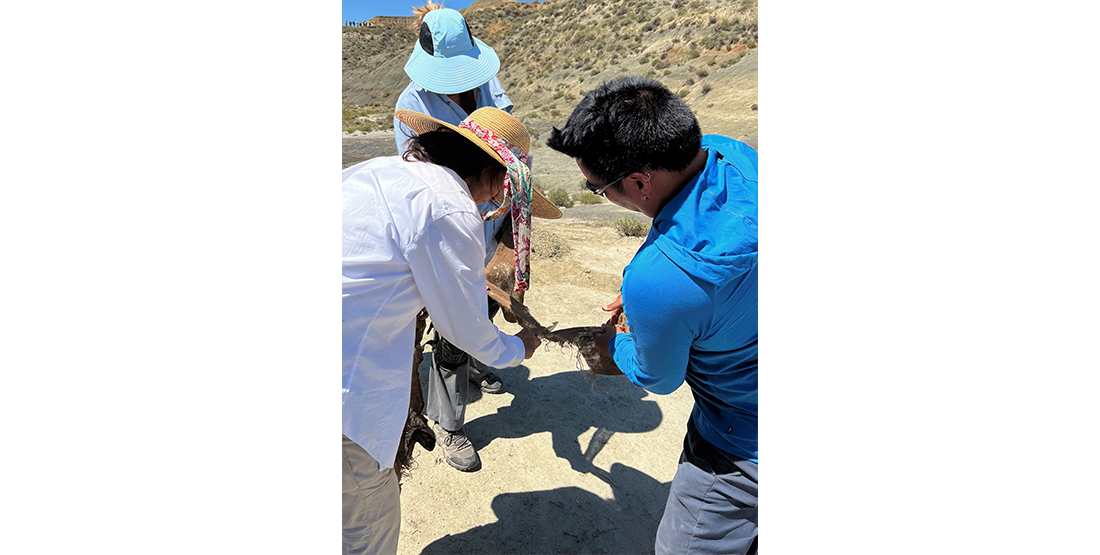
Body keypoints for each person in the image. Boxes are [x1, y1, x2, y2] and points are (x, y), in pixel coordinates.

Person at [545, 76, 759, 555]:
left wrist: (614, 342)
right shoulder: (732, 154)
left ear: (639, 182)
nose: (599, 194)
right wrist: (644, 279)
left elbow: (658, 379)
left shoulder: (661, 282)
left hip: (742, 441)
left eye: (597, 190)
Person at [342, 106, 546, 555]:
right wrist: (518, 349)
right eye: (503, 186)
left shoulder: (379, 172)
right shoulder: (450, 206)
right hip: (344, 392)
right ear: (492, 175)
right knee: (365, 532)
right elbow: (467, 329)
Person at [393, 3, 562, 472]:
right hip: (451, 228)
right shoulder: (410, 106)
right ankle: (448, 422)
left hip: (494, 216)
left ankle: (477, 362)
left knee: (490, 297)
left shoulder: (488, 84)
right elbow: (420, 188)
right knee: (454, 320)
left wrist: (510, 212)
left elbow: (512, 146)